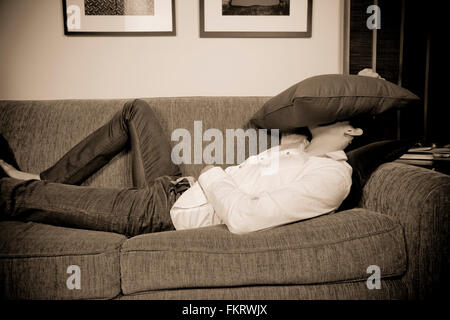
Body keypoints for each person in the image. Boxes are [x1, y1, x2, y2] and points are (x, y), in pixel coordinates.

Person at [0, 99, 363, 236]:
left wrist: (209, 173)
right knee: (135, 111)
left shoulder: (330, 177)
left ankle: (30, 187)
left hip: (162, 212)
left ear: (353, 129)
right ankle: (44, 179)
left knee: (17, 196)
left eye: (341, 110)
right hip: (177, 185)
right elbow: (299, 99)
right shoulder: (297, 145)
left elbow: (244, 218)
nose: (327, 109)